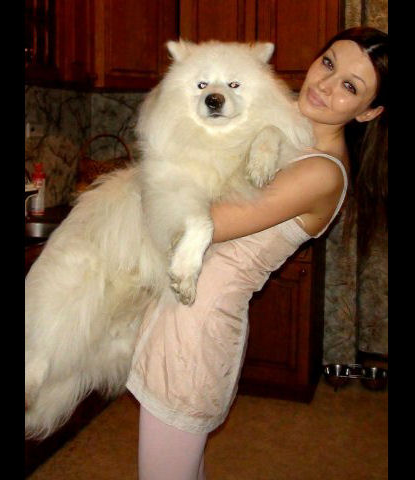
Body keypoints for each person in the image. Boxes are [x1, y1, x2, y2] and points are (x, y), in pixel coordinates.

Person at [125, 26, 388, 479]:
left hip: (195, 326)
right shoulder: (283, 132)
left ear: (369, 112)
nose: (325, 85)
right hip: (179, 308)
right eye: (328, 63)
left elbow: (197, 221)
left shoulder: (322, 173)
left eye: (350, 86)